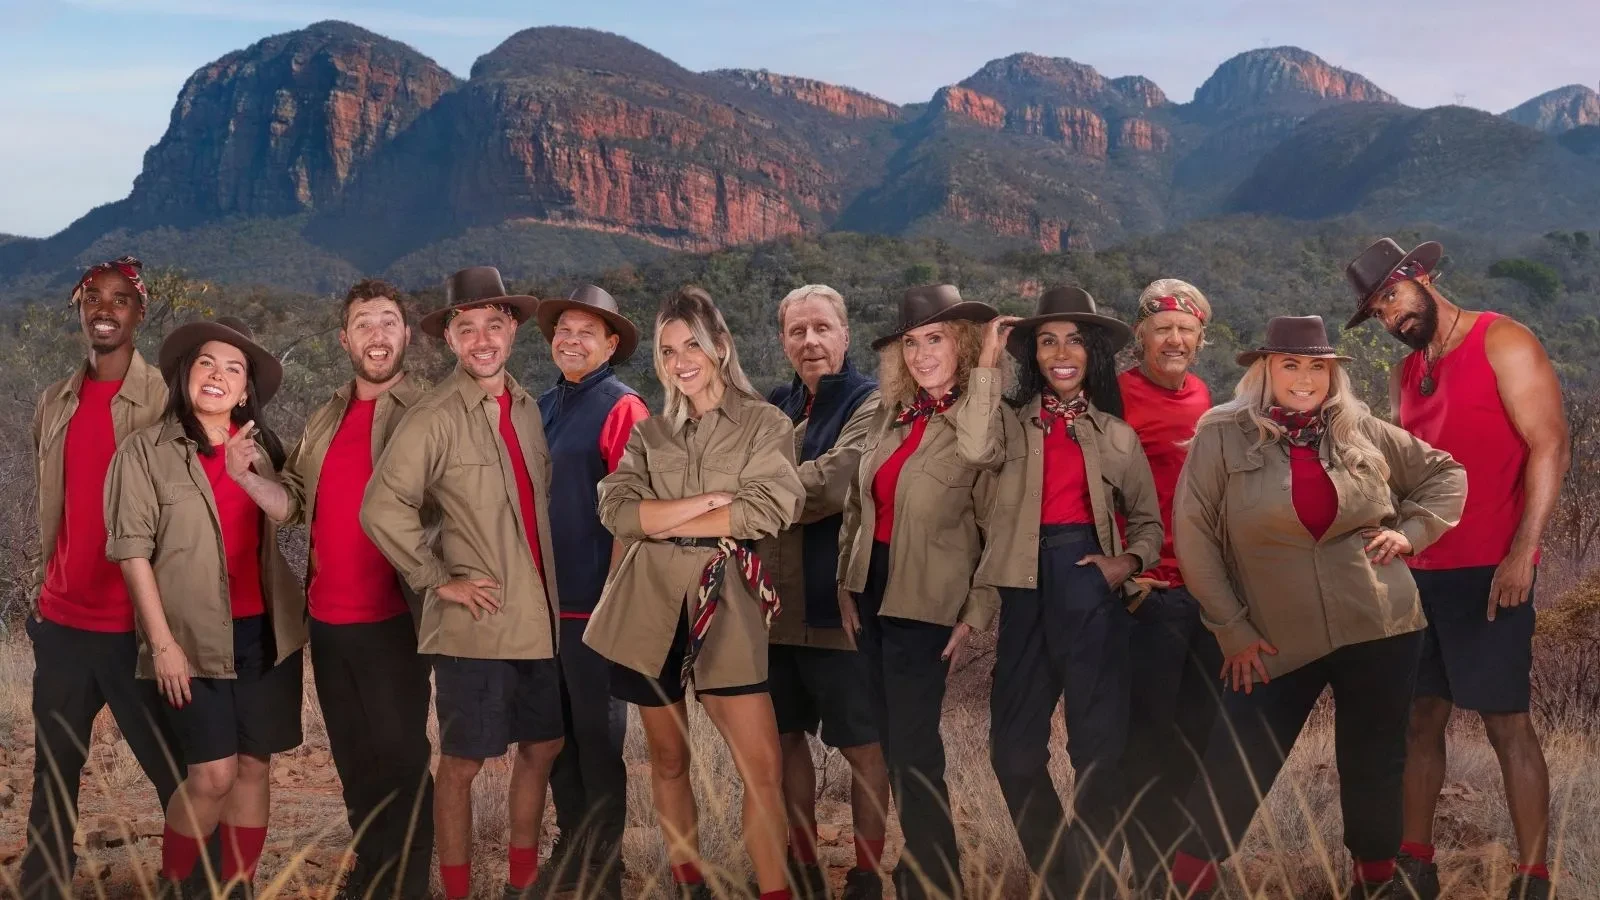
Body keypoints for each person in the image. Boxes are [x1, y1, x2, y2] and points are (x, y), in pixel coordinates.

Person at [1166, 315, 1465, 900]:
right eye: (1290, 365)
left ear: (1333, 373)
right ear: (1266, 370)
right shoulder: (1221, 436)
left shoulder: (1364, 431)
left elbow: (1445, 474)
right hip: (1271, 637)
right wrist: (1231, 629)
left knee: (1373, 763)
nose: (1304, 378)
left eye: (1317, 366)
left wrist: (1411, 532)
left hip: (1380, 623)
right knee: (1237, 762)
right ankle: (1185, 886)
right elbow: (1194, 535)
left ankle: (1373, 885)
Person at [1346, 238, 1572, 900]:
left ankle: (1533, 878)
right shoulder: (1404, 375)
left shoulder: (1503, 341)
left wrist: (1522, 553)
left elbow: (1550, 445)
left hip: (1491, 571)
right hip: (1418, 575)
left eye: (1390, 297)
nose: (1389, 318)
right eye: (1375, 311)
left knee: (1507, 722)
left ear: (1421, 276)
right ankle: (1418, 865)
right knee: (1420, 717)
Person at [585, 286, 805, 900]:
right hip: (647, 604)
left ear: (721, 347)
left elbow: (769, 508)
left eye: (693, 346)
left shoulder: (766, 423)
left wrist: (666, 517)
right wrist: (710, 504)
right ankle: (689, 885)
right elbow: (617, 509)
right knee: (668, 759)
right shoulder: (651, 433)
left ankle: (774, 892)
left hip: (726, 600)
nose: (681, 360)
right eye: (667, 350)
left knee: (760, 769)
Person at [361, 267, 563, 900]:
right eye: (467, 327)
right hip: (477, 627)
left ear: (511, 332)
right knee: (461, 765)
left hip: (541, 620)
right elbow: (380, 507)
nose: (482, 339)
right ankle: (456, 893)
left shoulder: (528, 408)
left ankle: (520, 885)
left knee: (545, 744)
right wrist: (435, 579)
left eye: (494, 326)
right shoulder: (434, 415)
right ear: (449, 338)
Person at [958, 287, 1163, 899]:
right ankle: (1063, 876)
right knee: (1013, 753)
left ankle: (1095, 886)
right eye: (1047, 341)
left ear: (1093, 352)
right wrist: (989, 360)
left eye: (1074, 339)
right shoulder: (1009, 426)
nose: (1061, 351)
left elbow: (1149, 523)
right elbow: (972, 445)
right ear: (1035, 357)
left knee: (1098, 752)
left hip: (1088, 587)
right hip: (1023, 587)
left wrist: (1124, 563)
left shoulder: (1117, 437)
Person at [104, 316, 307, 898]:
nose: (218, 376)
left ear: (246, 390)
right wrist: (161, 642)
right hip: (191, 639)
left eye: (233, 369)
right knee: (212, 774)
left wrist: (247, 476)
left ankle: (237, 885)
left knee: (252, 767)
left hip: (267, 634)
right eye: (207, 364)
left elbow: (290, 511)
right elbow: (132, 552)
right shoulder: (144, 452)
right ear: (186, 376)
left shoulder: (263, 448)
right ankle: (178, 883)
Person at [250, 279, 433, 899]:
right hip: (326, 620)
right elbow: (295, 504)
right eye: (363, 323)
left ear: (406, 334)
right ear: (345, 338)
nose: (377, 334)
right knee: (355, 761)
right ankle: (374, 866)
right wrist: (248, 479)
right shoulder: (326, 414)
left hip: (393, 619)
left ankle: (405, 884)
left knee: (402, 758)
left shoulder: (431, 411)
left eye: (388, 321)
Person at [19, 257, 180, 899]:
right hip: (61, 623)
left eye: (120, 299)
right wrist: (41, 587)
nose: (104, 309)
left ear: (141, 312)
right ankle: (40, 889)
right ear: (81, 311)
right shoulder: (53, 403)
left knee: (180, 776)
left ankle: (192, 884)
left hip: (137, 630)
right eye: (92, 299)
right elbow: (54, 501)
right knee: (54, 774)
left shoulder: (167, 399)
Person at [837, 284, 999, 900]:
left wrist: (977, 610)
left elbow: (996, 526)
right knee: (894, 743)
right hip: (871, 590)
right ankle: (919, 867)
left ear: (959, 343)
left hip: (925, 604)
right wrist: (846, 588)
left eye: (935, 339)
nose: (922, 354)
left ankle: (936, 878)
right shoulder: (892, 411)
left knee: (914, 749)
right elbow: (859, 502)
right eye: (911, 342)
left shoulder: (983, 421)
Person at [762, 285, 889, 900]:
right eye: (796, 331)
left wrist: (755, 489)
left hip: (839, 606)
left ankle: (865, 874)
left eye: (821, 328)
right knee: (784, 741)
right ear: (784, 341)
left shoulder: (872, 403)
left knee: (863, 745)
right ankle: (804, 863)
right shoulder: (773, 405)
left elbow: (835, 486)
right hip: (772, 610)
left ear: (845, 333)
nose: (810, 341)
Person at [533, 284, 649, 897]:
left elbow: (636, 512)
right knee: (556, 738)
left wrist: (613, 598)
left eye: (586, 332)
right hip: (543, 606)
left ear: (611, 344)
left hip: (596, 605)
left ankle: (605, 866)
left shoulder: (622, 406)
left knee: (600, 741)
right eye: (563, 331)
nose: (571, 340)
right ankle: (571, 847)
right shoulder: (544, 405)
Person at [1115, 279, 1225, 891]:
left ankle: (1187, 871)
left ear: (1200, 338)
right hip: (1149, 597)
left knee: (1198, 738)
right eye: (1163, 330)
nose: (1175, 339)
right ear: (1141, 336)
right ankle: (1150, 871)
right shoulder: (1116, 397)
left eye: (1186, 330)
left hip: (1205, 596)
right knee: (1148, 739)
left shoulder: (1205, 396)